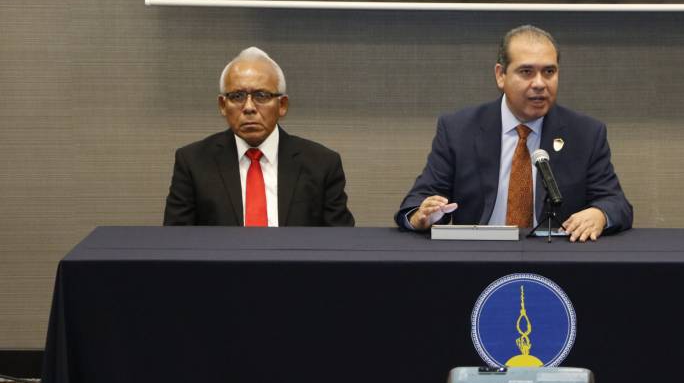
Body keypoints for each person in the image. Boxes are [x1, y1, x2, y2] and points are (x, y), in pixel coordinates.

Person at [396, 25, 632, 242]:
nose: (539, 83)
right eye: (526, 72)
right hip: (478, 254)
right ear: (501, 75)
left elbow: (616, 203)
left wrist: (600, 214)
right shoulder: (459, 129)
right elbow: (418, 200)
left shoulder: (586, 133)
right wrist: (422, 215)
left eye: (549, 71)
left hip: (556, 257)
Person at [163, 47, 354, 227]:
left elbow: (341, 242)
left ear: (282, 105)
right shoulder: (193, 162)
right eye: (237, 96)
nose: (249, 107)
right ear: (222, 105)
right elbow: (175, 241)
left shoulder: (322, 164)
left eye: (261, 95)